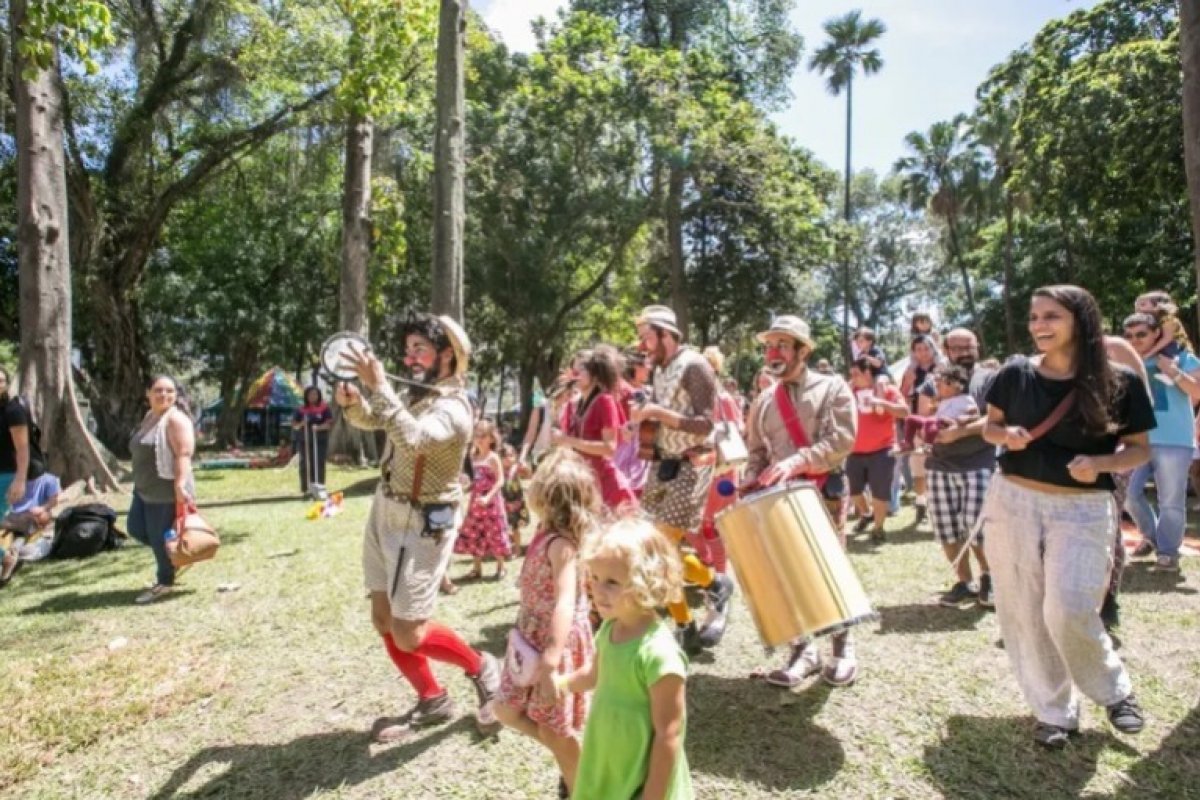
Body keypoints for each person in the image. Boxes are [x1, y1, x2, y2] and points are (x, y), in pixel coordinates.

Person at [981, 284, 1153, 749]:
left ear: (1081, 320)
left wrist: (1100, 463)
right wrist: (1005, 435)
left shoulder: (1120, 381)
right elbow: (989, 426)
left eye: (1051, 316)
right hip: (1013, 499)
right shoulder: (1014, 374)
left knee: (1069, 606)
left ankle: (1114, 691)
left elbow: (1140, 450)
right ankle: (1054, 712)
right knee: (1024, 609)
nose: (1039, 325)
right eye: (1035, 316)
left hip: (1083, 508)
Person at [337, 313, 501, 740]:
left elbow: (416, 440)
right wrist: (353, 404)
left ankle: (482, 667)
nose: (409, 357)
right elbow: (378, 420)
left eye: (420, 349)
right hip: (385, 509)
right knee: (383, 619)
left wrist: (379, 386)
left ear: (447, 356)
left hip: (423, 521)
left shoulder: (454, 407)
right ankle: (433, 698)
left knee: (409, 632)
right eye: (407, 349)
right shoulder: (417, 395)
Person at [742, 315, 858, 688]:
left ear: (802, 350)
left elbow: (842, 439)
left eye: (782, 345)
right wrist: (749, 478)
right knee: (786, 573)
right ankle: (803, 651)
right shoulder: (763, 401)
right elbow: (757, 452)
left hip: (823, 489)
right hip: (778, 499)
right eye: (769, 346)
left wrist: (798, 461)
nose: (773, 353)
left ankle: (842, 649)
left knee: (830, 568)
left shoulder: (833, 387)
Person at [494, 449, 600, 798]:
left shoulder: (561, 545)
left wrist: (551, 662)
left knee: (554, 729)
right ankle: (578, 766)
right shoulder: (545, 531)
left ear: (545, 495)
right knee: (505, 709)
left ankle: (582, 786)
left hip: (555, 643)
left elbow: (565, 601)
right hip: (531, 637)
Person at [565, 517, 693, 800]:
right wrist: (559, 684)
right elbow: (593, 675)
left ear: (646, 582)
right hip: (609, 758)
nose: (597, 590)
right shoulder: (609, 629)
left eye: (612, 582)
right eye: (594, 578)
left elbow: (669, 734)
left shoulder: (659, 654)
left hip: (642, 771)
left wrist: (653, 795)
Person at [630, 305, 734, 651]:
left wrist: (658, 412)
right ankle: (705, 597)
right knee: (655, 548)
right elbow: (663, 414)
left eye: (647, 337)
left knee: (661, 546)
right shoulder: (660, 368)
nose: (642, 346)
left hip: (693, 463)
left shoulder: (695, 366)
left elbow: (705, 424)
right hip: (663, 463)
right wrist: (642, 418)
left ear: (666, 334)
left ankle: (701, 600)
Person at [919, 329, 997, 609]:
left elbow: (996, 418)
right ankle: (965, 582)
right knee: (946, 528)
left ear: (978, 347)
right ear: (946, 349)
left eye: (969, 347)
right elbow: (923, 414)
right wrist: (926, 431)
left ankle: (989, 578)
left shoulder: (990, 378)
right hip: (939, 465)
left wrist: (960, 431)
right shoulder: (933, 380)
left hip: (979, 462)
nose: (964, 352)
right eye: (957, 347)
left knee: (978, 527)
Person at [1121, 312, 1200, 572]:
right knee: (1128, 495)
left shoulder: (1181, 357)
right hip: (1136, 440)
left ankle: (1168, 553)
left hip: (1174, 439)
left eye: (1141, 334)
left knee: (1170, 501)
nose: (1135, 340)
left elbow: (1198, 391)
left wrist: (1174, 373)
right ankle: (1153, 537)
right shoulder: (1126, 362)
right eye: (1129, 336)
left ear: (1157, 333)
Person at [127, 375, 196, 604]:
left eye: (169, 391)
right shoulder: (150, 416)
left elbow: (183, 454)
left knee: (158, 538)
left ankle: (165, 581)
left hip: (164, 490)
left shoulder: (176, 420)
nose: (164, 395)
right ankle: (177, 556)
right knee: (135, 529)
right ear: (148, 393)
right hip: (143, 488)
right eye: (158, 390)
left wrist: (180, 485)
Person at [552, 345, 637, 512]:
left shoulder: (604, 400)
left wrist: (567, 440)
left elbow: (609, 448)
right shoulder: (576, 404)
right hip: (583, 480)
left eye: (581, 369)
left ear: (595, 373)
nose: (575, 374)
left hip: (605, 484)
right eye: (574, 369)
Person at [693, 346, 743, 580]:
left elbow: (738, 428)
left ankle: (721, 576)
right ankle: (711, 563)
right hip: (700, 467)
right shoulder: (693, 399)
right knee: (700, 523)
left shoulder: (723, 399)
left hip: (722, 468)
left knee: (714, 523)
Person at [846, 357, 906, 543]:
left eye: (856, 374)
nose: (852, 378)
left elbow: (904, 411)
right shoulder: (850, 392)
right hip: (854, 451)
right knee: (854, 491)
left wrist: (881, 403)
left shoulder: (888, 390)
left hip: (882, 450)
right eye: (851, 374)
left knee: (880, 493)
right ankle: (866, 514)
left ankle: (878, 528)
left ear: (868, 373)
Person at [455, 419, 512, 580]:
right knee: (475, 533)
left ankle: (501, 566)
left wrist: (488, 497)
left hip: (492, 503)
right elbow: (474, 481)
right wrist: (465, 487)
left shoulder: (493, 457)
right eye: (477, 435)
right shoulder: (473, 458)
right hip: (476, 503)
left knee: (495, 532)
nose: (479, 439)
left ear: (491, 438)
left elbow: (500, 480)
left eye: (483, 436)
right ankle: (477, 568)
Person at [898, 335, 943, 524]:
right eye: (918, 349)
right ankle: (921, 503)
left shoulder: (943, 368)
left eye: (926, 348)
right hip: (916, 423)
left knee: (937, 464)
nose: (923, 353)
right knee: (918, 466)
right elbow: (901, 397)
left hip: (938, 423)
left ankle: (936, 505)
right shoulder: (910, 371)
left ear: (933, 348)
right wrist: (908, 382)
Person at [894, 364, 979, 454]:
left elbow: (976, 414)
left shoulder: (965, 399)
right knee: (911, 419)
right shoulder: (943, 400)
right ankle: (908, 443)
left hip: (949, 423)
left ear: (954, 385)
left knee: (931, 421)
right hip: (935, 423)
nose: (937, 387)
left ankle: (928, 446)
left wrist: (966, 419)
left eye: (940, 385)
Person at [0, 367, 46, 520]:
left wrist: (20, 480)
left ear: (6, 384)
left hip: (6, 475)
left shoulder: (13, 411)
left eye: (0, 381)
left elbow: (22, 448)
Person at [1, 470, 61, 586]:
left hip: (32, 519)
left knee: (37, 521)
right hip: (11, 517)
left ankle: (12, 555)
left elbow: (53, 501)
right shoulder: (13, 478)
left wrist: (42, 508)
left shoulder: (50, 479)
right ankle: (10, 557)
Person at [1134, 290, 1194, 383]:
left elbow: (1167, 338)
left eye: (1143, 304)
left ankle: (1170, 371)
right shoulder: (1153, 320)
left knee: (1169, 349)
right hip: (1167, 345)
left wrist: (1149, 353)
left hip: (1178, 345)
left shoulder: (1167, 319)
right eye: (1137, 305)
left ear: (1156, 305)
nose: (1138, 308)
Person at [292, 386, 332, 498]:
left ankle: (319, 487)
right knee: (305, 463)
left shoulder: (324, 408)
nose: (313, 396)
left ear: (319, 395)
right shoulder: (300, 409)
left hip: (320, 440)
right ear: (306, 396)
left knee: (319, 463)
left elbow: (329, 424)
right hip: (304, 440)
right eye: (310, 394)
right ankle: (306, 489)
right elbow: (295, 425)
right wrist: (302, 424)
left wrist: (319, 427)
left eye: (315, 394)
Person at [499, 443, 530, 555]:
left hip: (516, 503)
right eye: (505, 456)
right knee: (502, 526)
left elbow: (528, 475)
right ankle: (508, 544)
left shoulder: (516, 468)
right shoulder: (499, 469)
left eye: (511, 455)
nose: (508, 459)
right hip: (503, 502)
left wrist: (525, 468)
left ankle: (517, 549)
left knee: (515, 527)